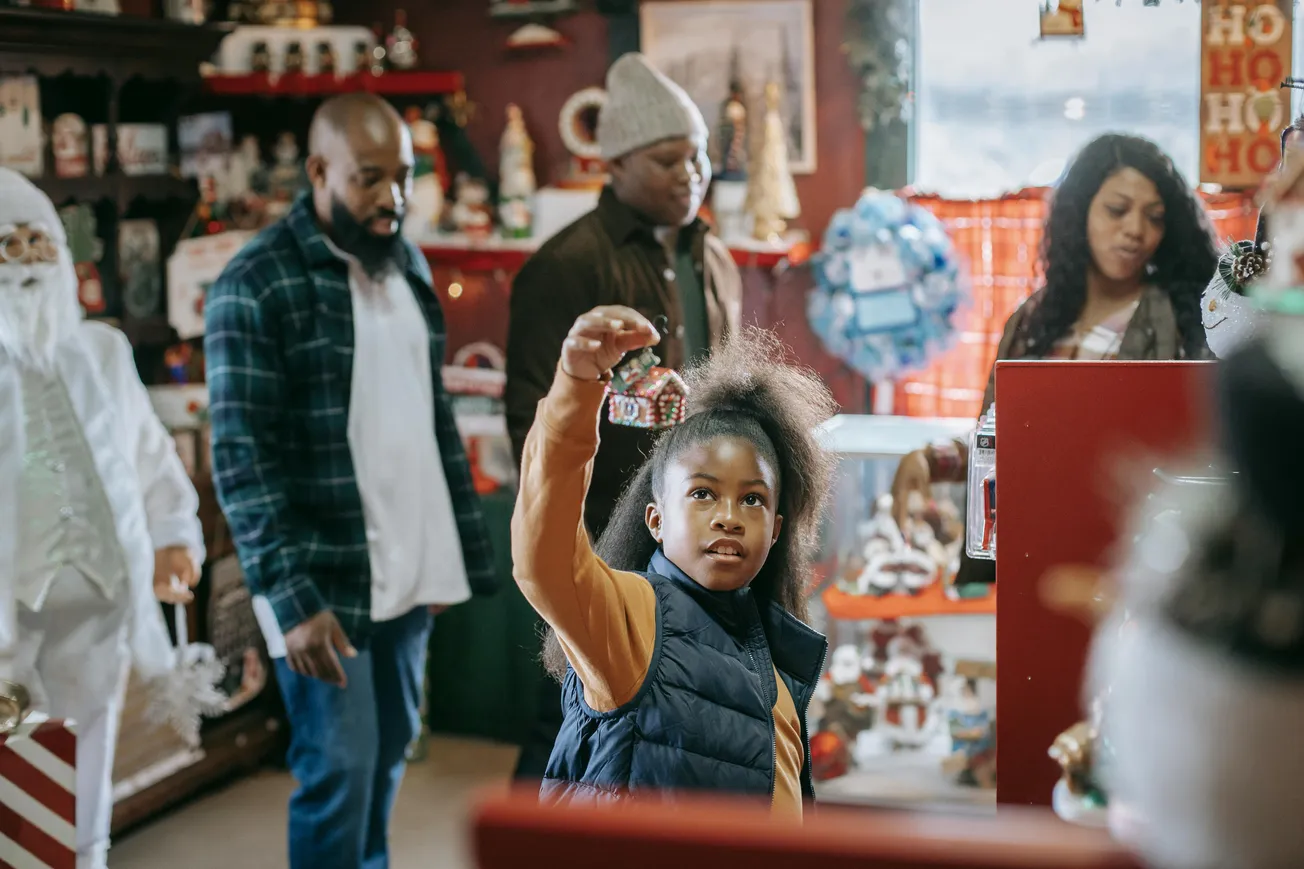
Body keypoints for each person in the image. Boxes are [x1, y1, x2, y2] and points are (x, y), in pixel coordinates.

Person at [205, 93, 497, 869]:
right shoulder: (254, 283)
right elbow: (239, 456)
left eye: (401, 177)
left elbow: (424, 414)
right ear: (318, 171)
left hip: (406, 568)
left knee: (392, 749)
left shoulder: (405, 261)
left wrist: (445, 549)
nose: (391, 198)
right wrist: (290, 599)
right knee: (339, 768)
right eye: (369, 179)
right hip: (321, 574)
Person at [505, 50, 743, 779]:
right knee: (576, 712)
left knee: (677, 721)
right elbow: (532, 418)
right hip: (606, 530)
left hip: (693, 526)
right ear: (615, 163)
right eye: (669, 159)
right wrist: (571, 545)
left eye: (699, 155)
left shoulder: (715, 257)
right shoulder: (566, 266)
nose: (691, 173)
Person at [512, 305, 833, 813]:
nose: (728, 517)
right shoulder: (634, 616)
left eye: (752, 499)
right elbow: (543, 560)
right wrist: (576, 387)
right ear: (656, 520)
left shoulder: (773, 654)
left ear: (775, 531)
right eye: (703, 494)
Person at [0, 168, 204, 869]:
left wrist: (175, 535)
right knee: (12, 772)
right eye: (8, 244)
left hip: (100, 600)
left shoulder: (102, 350)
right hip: (9, 607)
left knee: (87, 755)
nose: (26, 261)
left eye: (38, 242)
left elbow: (150, 456)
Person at [891, 134, 1217, 549]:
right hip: (1033, 544)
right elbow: (996, 444)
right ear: (1079, 212)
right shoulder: (1031, 321)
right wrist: (931, 459)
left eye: (1154, 217)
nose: (1136, 230)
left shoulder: (1186, 318)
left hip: (1134, 552)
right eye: (1117, 210)